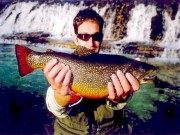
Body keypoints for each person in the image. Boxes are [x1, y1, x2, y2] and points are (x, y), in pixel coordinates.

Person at [44, 8, 140, 134]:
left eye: (96, 36)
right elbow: (55, 106)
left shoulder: (115, 65)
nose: (91, 42)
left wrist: (119, 100)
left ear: (101, 39)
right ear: (76, 39)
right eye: (84, 36)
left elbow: (117, 105)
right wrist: (61, 96)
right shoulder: (64, 65)